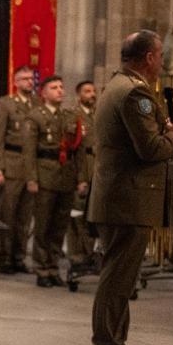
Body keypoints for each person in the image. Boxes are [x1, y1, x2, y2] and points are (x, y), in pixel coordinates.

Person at [89, 30, 173, 345]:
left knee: (120, 275)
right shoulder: (135, 93)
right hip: (127, 198)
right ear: (148, 57)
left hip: (121, 196)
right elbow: (150, 149)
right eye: (160, 56)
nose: (161, 63)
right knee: (117, 277)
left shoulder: (117, 85)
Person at [23, 76, 86, 287]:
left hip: (66, 176)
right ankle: (41, 269)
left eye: (61, 87)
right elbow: (29, 152)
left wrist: (81, 178)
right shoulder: (35, 117)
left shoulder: (69, 117)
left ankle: (53, 267)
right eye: (54, 87)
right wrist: (31, 178)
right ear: (44, 93)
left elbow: (78, 150)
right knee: (43, 225)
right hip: (45, 175)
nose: (60, 90)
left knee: (60, 226)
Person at [0, 65, 38, 274]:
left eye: (31, 78)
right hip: (11, 162)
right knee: (8, 213)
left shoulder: (37, 104)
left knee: (25, 216)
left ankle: (19, 257)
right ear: (16, 82)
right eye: (25, 79)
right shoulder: (6, 104)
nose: (30, 82)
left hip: (31, 166)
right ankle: (6, 258)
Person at [67, 80, 98, 266]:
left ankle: (88, 253)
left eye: (93, 91)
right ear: (79, 95)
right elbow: (73, 150)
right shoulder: (73, 116)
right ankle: (76, 256)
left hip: (96, 169)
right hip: (82, 168)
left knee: (92, 216)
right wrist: (80, 178)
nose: (92, 94)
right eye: (87, 91)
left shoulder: (97, 116)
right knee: (77, 216)